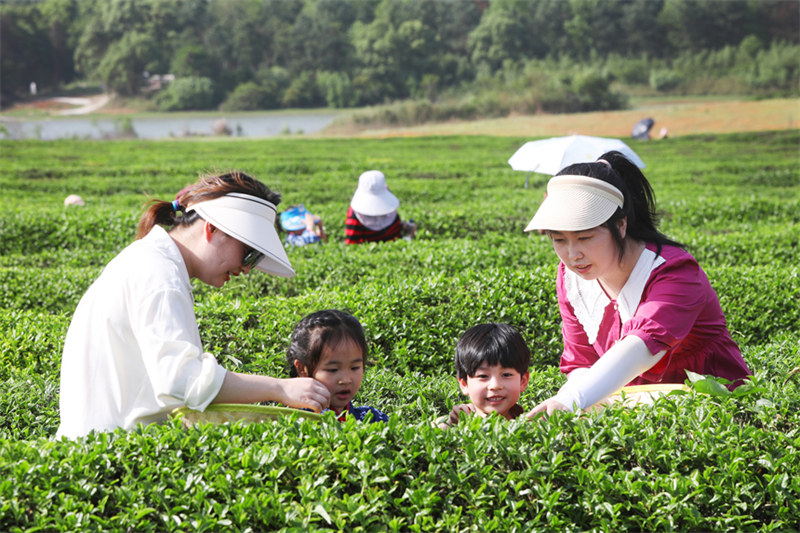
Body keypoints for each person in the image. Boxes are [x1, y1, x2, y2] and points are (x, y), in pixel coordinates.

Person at [56, 171, 331, 439]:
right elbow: (182, 381)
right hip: (109, 454)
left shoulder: (154, 262)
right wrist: (279, 389)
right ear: (212, 228)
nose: (246, 268)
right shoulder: (159, 275)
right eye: (248, 252)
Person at [524, 151, 752, 418]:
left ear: (620, 225)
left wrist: (573, 399)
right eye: (559, 240)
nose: (573, 255)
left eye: (585, 238)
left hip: (712, 406)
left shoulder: (675, 271)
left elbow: (642, 347)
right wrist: (569, 404)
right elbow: (582, 361)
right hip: (634, 410)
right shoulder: (570, 279)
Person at [287, 309, 388, 423]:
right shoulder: (300, 421)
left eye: (354, 367)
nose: (346, 380)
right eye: (333, 370)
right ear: (302, 369)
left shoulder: (372, 419)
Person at [436, 323, 530, 429]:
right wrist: (450, 425)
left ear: (523, 381)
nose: (495, 385)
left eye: (506, 374)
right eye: (483, 376)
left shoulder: (533, 426)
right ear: (464, 384)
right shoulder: (448, 423)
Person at [345, 170, 417, 244]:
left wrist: (404, 227)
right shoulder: (355, 217)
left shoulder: (390, 208)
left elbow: (395, 230)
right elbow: (352, 243)